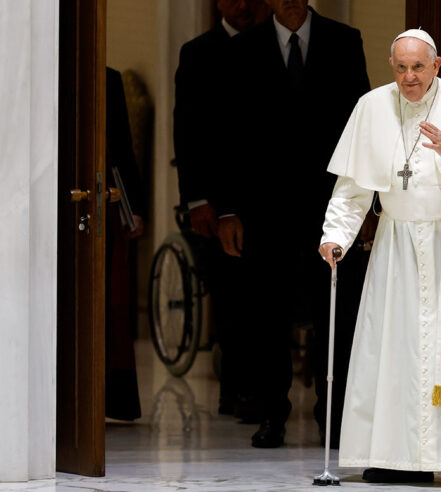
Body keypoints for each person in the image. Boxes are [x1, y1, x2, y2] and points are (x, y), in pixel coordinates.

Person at [318, 29, 441, 487]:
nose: (410, 77)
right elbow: (353, 187)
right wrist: (336, 237)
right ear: (392, 66)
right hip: (399, 247)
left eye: (419, 67)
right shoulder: (371, 107)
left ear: (437, 65)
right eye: (401, 67)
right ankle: (392, 457)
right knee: (397, 350)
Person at [215, 0, 371, 448]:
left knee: (335, 311)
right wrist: (227, 210)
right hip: (264, 207)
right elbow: (226, 132)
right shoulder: (244, 48)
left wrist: (360, 206)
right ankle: (271, 414)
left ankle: (334, 415)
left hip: (330, 205)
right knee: (268, 314)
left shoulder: (344, 41)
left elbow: (360, 128)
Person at [173, 0, 271, 419]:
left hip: (264, 194)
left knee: (265, 296)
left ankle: (266, 389)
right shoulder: (198, 53)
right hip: (214, 198)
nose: (243, 5)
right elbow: (188, 130)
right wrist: (198, 200)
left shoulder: (271, 47)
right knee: (230, 297)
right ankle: (236, 389)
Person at [105, 67, 147, 421]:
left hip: (104, 201)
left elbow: (122, 149)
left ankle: (112, 399)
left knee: (111, 302)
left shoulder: (108, 79)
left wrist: (135, 208)